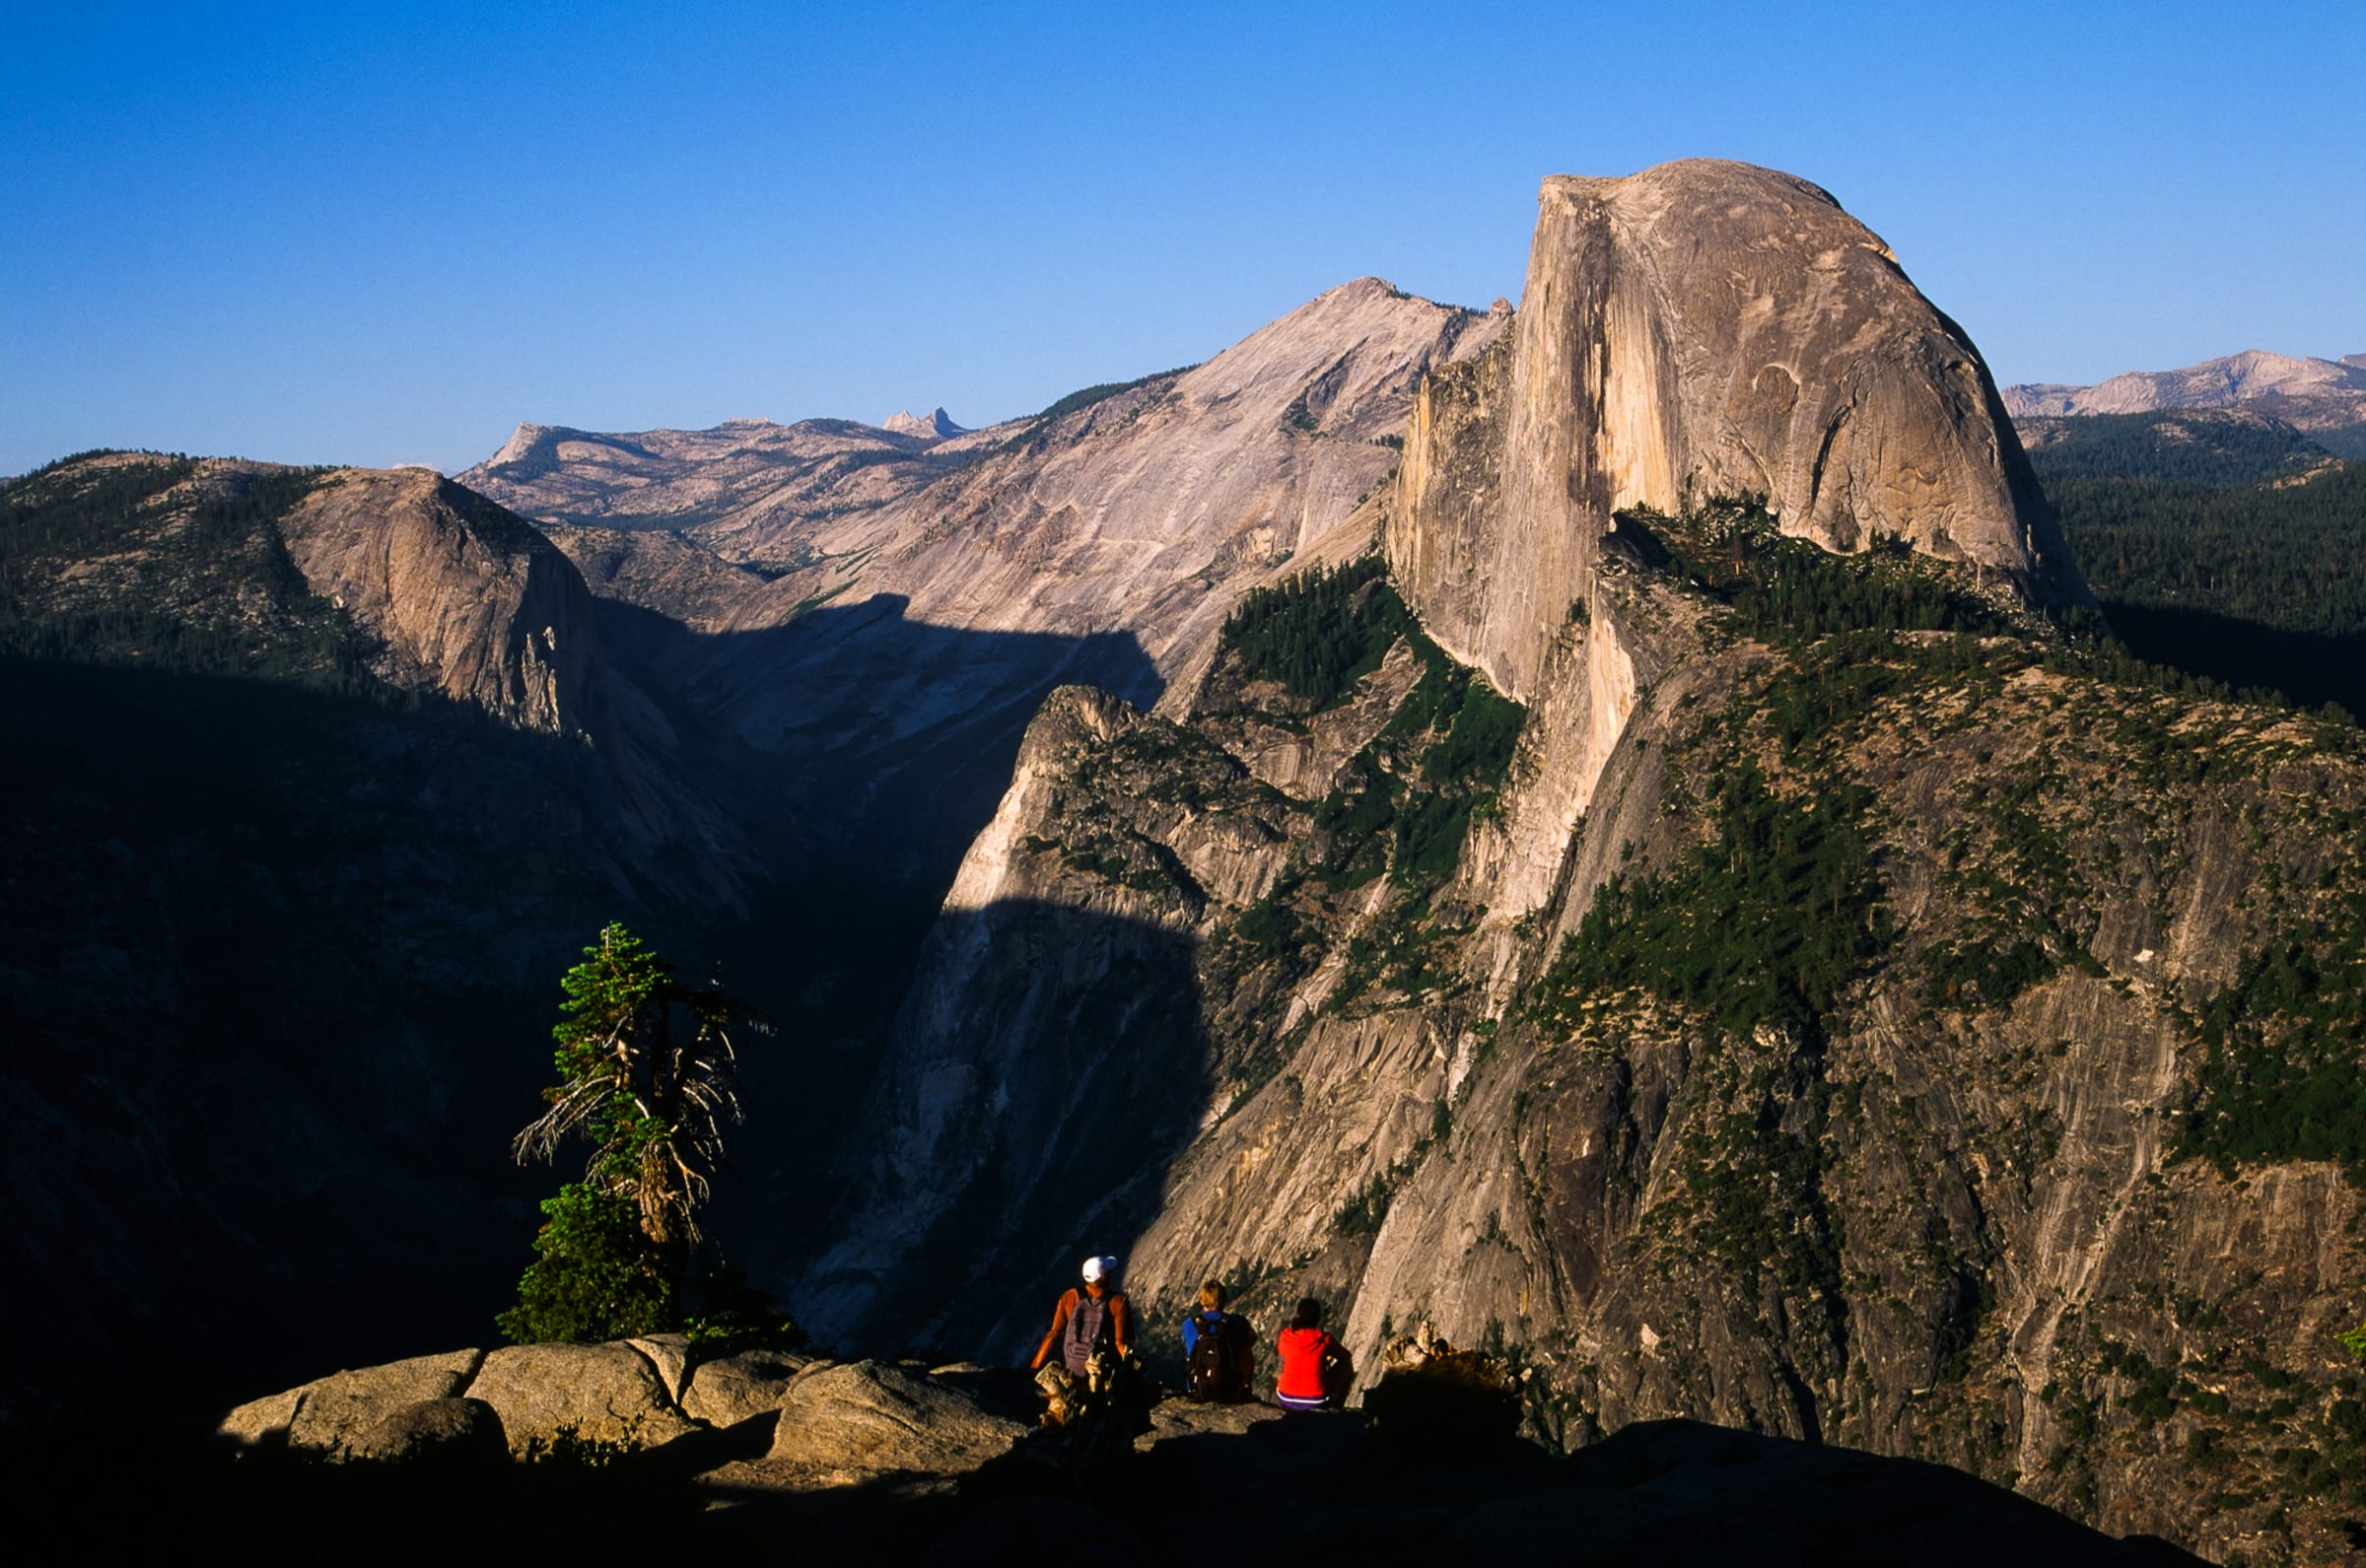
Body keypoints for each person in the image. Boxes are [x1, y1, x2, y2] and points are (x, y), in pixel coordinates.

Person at [1030, 1254, 1136, 1377]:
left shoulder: (1069, 1297)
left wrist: (1034, 1367)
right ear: (1102, 1277)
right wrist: (1133, 1368)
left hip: (1074, 1370)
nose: (1111, 1275)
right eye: (1108, 1273)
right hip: (1103, 1370)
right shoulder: (1118, 1301)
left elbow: (1054, 1333)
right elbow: (1120, 1342)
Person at [1181, 1279, 1255, 1402]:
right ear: (1224, 1300)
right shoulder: (1235, 1322)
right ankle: (1242, 1388)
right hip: (1228, 1390)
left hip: (1198, 1389)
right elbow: (1253, 1338)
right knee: (1245, 1351)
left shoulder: (1189, 1324)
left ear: (1202, 1301)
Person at [1274, 1296, 1351, 1411]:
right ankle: (1337, 1408)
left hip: (1285, 1398)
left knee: (1286, 1367)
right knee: (1347, 1366)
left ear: (1298, 1315)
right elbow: (1346, 1356)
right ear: (1318, 1318)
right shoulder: (1324, 1339)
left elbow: (1282, 1351)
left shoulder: (1286, 1335)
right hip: (1315, 1400)